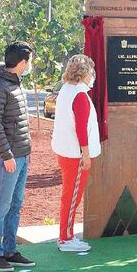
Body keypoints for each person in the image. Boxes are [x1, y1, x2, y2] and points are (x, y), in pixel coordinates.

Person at [0, 41, 36, 272]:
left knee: (15, 205)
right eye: (30, 60)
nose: (31, 64)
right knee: (2, 206)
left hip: (22, 155)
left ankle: (10, 250)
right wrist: (6, 155)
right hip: (9, 158)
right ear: (23, 62)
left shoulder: (15, 83)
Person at [51, 54, 101, 252]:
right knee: (72, 197)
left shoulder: (66, 89)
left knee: (69, 196)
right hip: (76, 155)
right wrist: (86, 155)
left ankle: (67, 235)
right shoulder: (80, 95)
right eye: (91, 71)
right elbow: (81, 128)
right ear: (85, 73)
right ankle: (65, 239)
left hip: (66, 152)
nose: (93, 75)